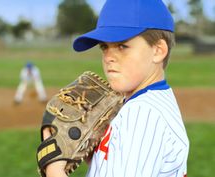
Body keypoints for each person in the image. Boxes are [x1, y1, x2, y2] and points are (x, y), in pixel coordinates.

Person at [42, 0, 190, 176]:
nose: (109, 57)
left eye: (122, 46)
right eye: (104, 47)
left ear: (158, 51)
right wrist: (97, 156)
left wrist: (54, 169)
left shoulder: (142, 115)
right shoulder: (152, 102)